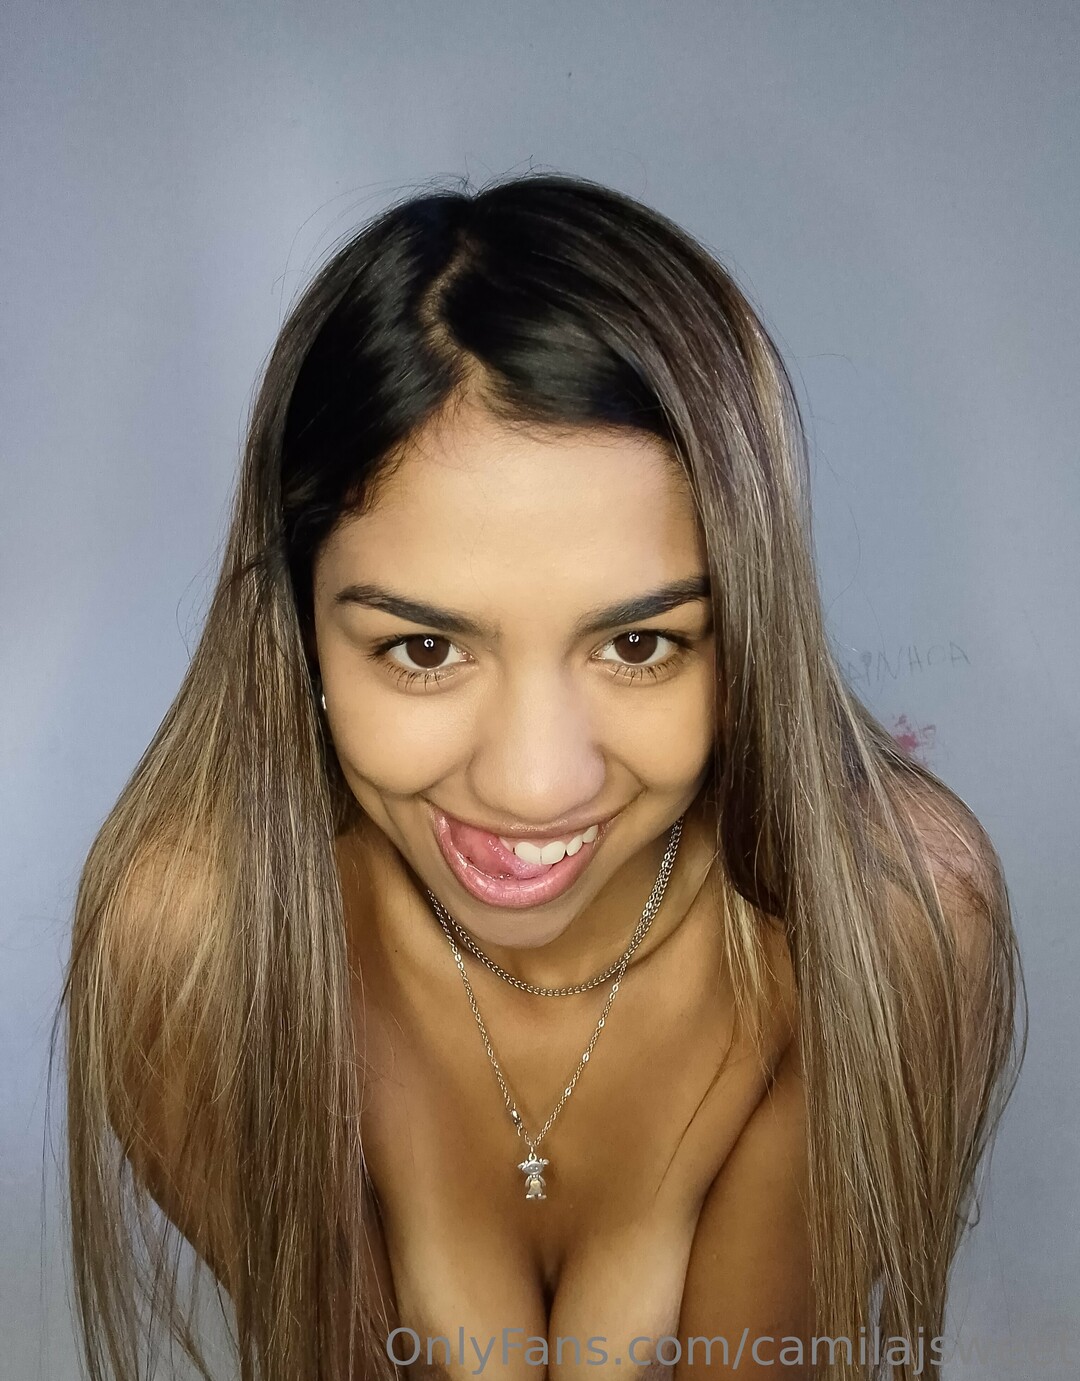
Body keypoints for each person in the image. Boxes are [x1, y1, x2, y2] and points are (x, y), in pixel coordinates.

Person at [59, 173, 1024, 1381]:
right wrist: (415, 1178)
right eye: (424, 649)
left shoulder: (888, 916)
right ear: (299, 632)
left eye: (641, 644)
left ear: (748, 630)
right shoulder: (196, 947)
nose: (530, 783)